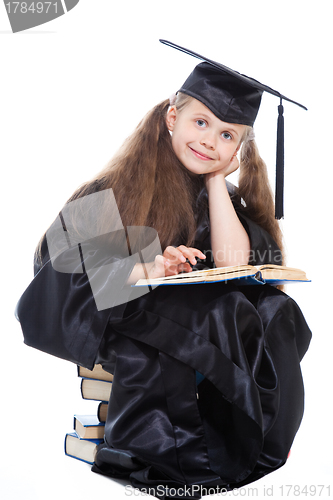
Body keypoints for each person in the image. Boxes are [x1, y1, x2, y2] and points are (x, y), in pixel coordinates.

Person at [16, 41, 311, 499]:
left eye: (227, 134)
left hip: (202, 318)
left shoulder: (222, 199)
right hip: (129, 318)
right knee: (213, 314)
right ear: (171, 118)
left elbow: (237, 263)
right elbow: (57, 273)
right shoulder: (118, 189)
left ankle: (263, 443)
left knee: (273, 309)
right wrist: (146, 266)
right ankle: (186, 459)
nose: (210, 141)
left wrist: (216, 180)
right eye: (201, 122)